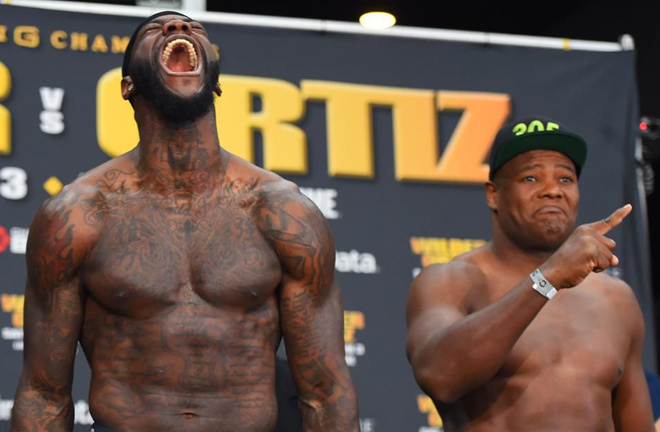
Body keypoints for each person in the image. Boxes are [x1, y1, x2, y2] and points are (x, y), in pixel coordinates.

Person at [11, 11, 358, 432]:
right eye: (156, 29)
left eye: (195, 28)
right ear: (127, 86)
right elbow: (44, 396)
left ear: (215, 81)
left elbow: (326, 393)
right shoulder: (78, 216)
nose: (179, 28)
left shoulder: (282, 212)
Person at [405, 116, 654, 431]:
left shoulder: (616, 299)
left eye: (565, 179)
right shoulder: (450, 282)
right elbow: (440, 376)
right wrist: (547, 278)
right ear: (493, 194)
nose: (552, 191)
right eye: (531, 178)